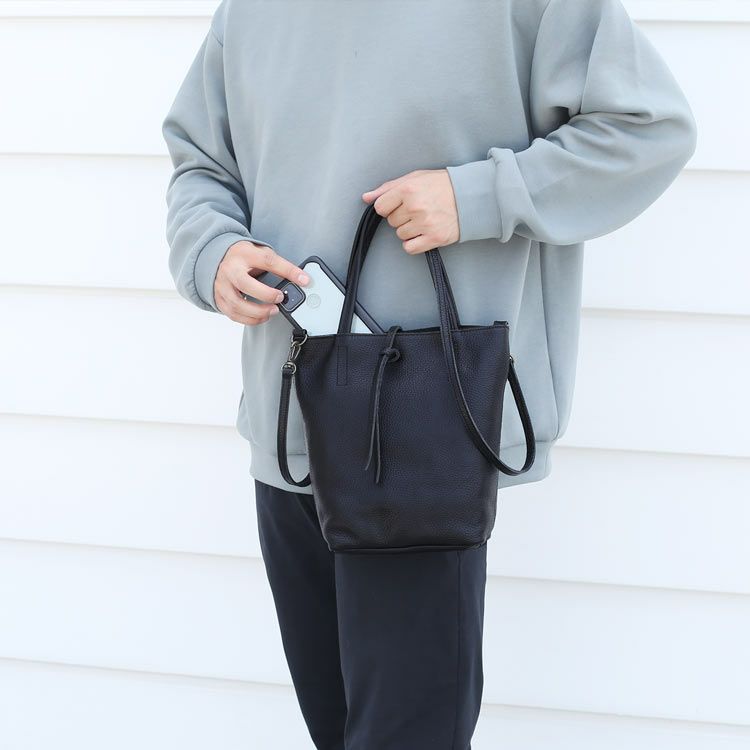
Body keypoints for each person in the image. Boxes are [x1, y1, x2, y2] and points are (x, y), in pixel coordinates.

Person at [162, 1, 697, 747]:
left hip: (425, 438)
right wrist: (211, 251)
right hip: (289, 429)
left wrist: (476, 196)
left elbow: (646, 129)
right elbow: (202, 164)